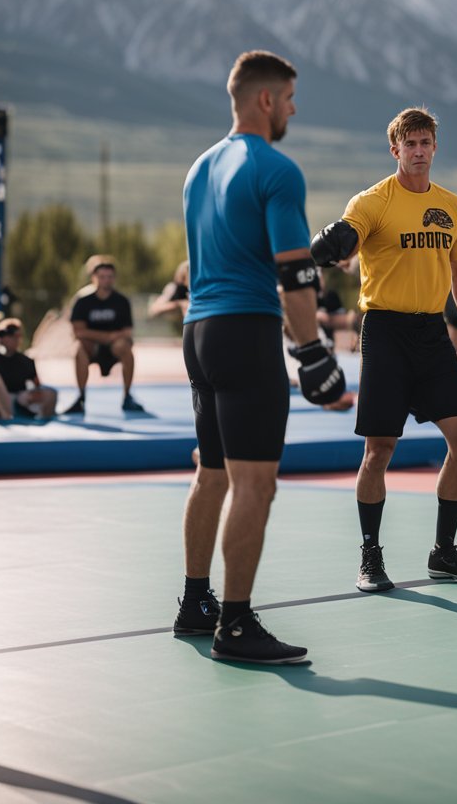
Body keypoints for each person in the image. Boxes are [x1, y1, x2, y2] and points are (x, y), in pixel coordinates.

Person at [177, 49, 344, 666]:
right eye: (291, 99)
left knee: (212, 473)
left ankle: (196, 603)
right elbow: (294, 273)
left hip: (199, 332)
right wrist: (312, 351)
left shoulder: (199, 168)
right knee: (257, 485)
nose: (294, 110)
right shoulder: (276, 169)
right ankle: (236, 625)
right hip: (246, 333)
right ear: (265, 100)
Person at [311, 106, 457, 594]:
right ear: (395, 150)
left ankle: (444, 552)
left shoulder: (452, 206)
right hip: (386, 331)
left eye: (425, 143)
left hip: (432, 334)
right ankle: (370, 557)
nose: (418, 151)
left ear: (436, 148)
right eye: (409, 144)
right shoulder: (373, 202)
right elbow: (347, 240)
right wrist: (335, 243)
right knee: (379, 450)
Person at [64, 257, 144, 414]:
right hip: (92, 347)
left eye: (110, 277)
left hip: (114, 348)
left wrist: (111, 338)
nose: (106, 280)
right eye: (102, 277)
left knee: (126, 347)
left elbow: (127, 332)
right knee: (79, 348)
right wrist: (106, 337)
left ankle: (127, 396)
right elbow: (78, 332)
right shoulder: (83, 301)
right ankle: (81, 397)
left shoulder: (121, 301)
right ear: (94, 278)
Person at [0, 319, 58, 421]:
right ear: (2, 338)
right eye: (12, 336)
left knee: (51, 393)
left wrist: (32, 396)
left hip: (21, 400)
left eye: (19, 336)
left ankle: (43, 420)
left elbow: (38, 386)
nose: (17, 340)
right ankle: (6, 418)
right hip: (2, 401)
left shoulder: (26, 361)